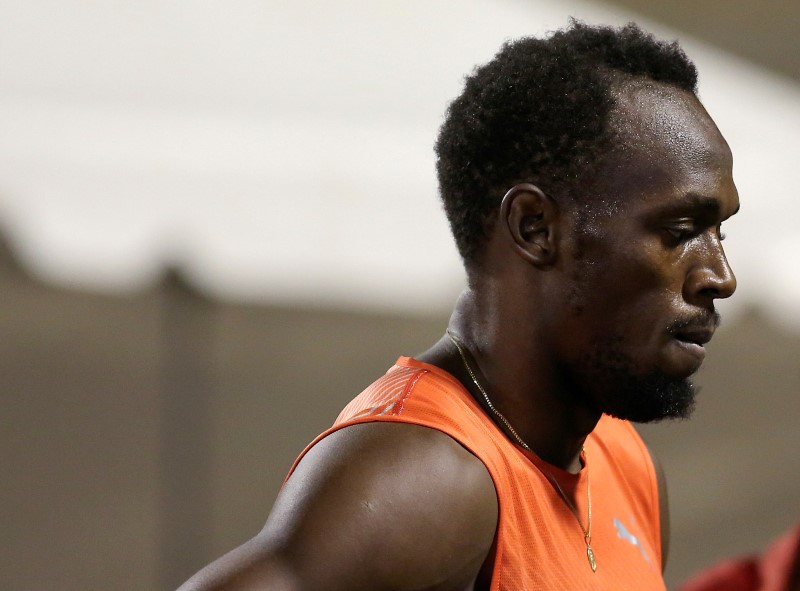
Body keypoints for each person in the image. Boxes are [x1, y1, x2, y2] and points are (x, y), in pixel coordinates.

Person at [179, 20, 739, 590]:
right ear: (535, 227)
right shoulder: (424, 477)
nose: (721, 277)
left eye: (721, 233)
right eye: (681, 229)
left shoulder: (626, 465)